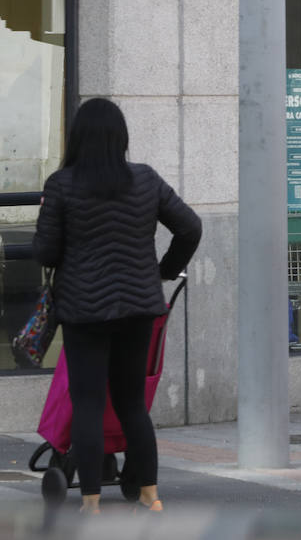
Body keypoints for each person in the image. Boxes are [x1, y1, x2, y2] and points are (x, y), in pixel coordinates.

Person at [33, 98, 203, 514]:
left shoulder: (62, 184)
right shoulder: (145, 180)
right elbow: (190, 226)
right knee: (131, 403)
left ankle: (90, 499)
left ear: (78, 139)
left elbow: (46, 253)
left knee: (88, 402)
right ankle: (150, 491)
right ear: (121, 138)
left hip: (83, 311)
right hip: (138, 307)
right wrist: (164, 270)